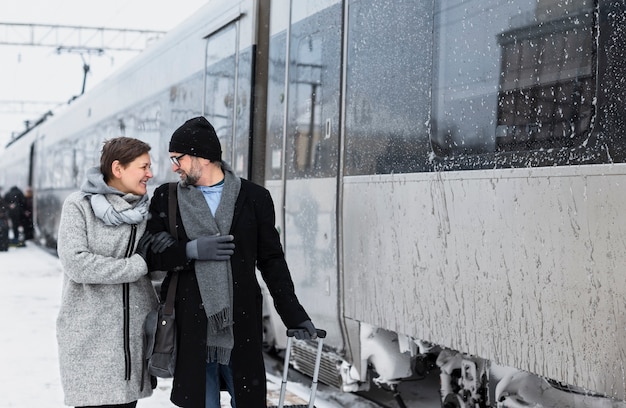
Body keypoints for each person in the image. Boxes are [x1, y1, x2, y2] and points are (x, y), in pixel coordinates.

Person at [145, 116, 318, 408]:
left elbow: (272, 260)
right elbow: (151, 252)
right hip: (190, 325)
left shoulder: (254, 198)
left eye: (179, 158)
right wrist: (190, 251)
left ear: (202, 156)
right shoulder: (168, 197)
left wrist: (294, 314)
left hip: (240, 323)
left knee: (248, 398)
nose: (175, 167)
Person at [56, 137, 174, 408]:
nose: (150, 174)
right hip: (90, 339)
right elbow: (77, 264)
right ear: (118, 168)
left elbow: (152, 275)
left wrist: (161, 257)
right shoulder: (79, 206)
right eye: (143, 166)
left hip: (132, 342)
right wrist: (139, 264)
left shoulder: (146, 212)